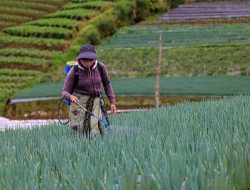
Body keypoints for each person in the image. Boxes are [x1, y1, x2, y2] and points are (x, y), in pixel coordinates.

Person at [62, 44, 116, 136]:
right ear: (80, 59)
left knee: (96, 130)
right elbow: (64, 92)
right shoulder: (74, 71)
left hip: (96, 101)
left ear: (94, 59)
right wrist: (70, 96)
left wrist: (112, 102)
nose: (88, 62)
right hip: (79, 103)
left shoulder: (100, 67)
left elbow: (107, 83)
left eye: (90, 59)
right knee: (79, 131)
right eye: (85, 59)